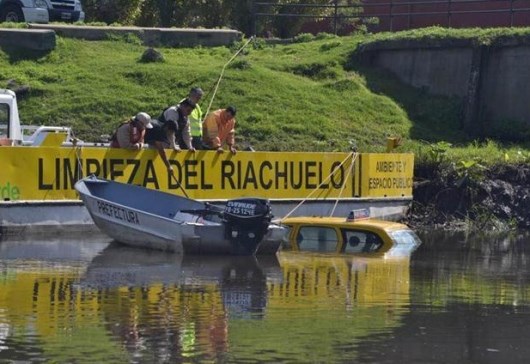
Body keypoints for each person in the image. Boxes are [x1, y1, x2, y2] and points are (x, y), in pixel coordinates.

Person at [145, 99, 195, 173]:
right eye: (188, 110)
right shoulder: (173, 112)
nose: (189, 113)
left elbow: (186, 132)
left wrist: (190, 147)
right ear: (183, 106)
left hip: (167, 139)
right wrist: (173, 146)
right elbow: (170, 131)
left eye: (191, 111)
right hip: (159, 137)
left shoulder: (185, 116)